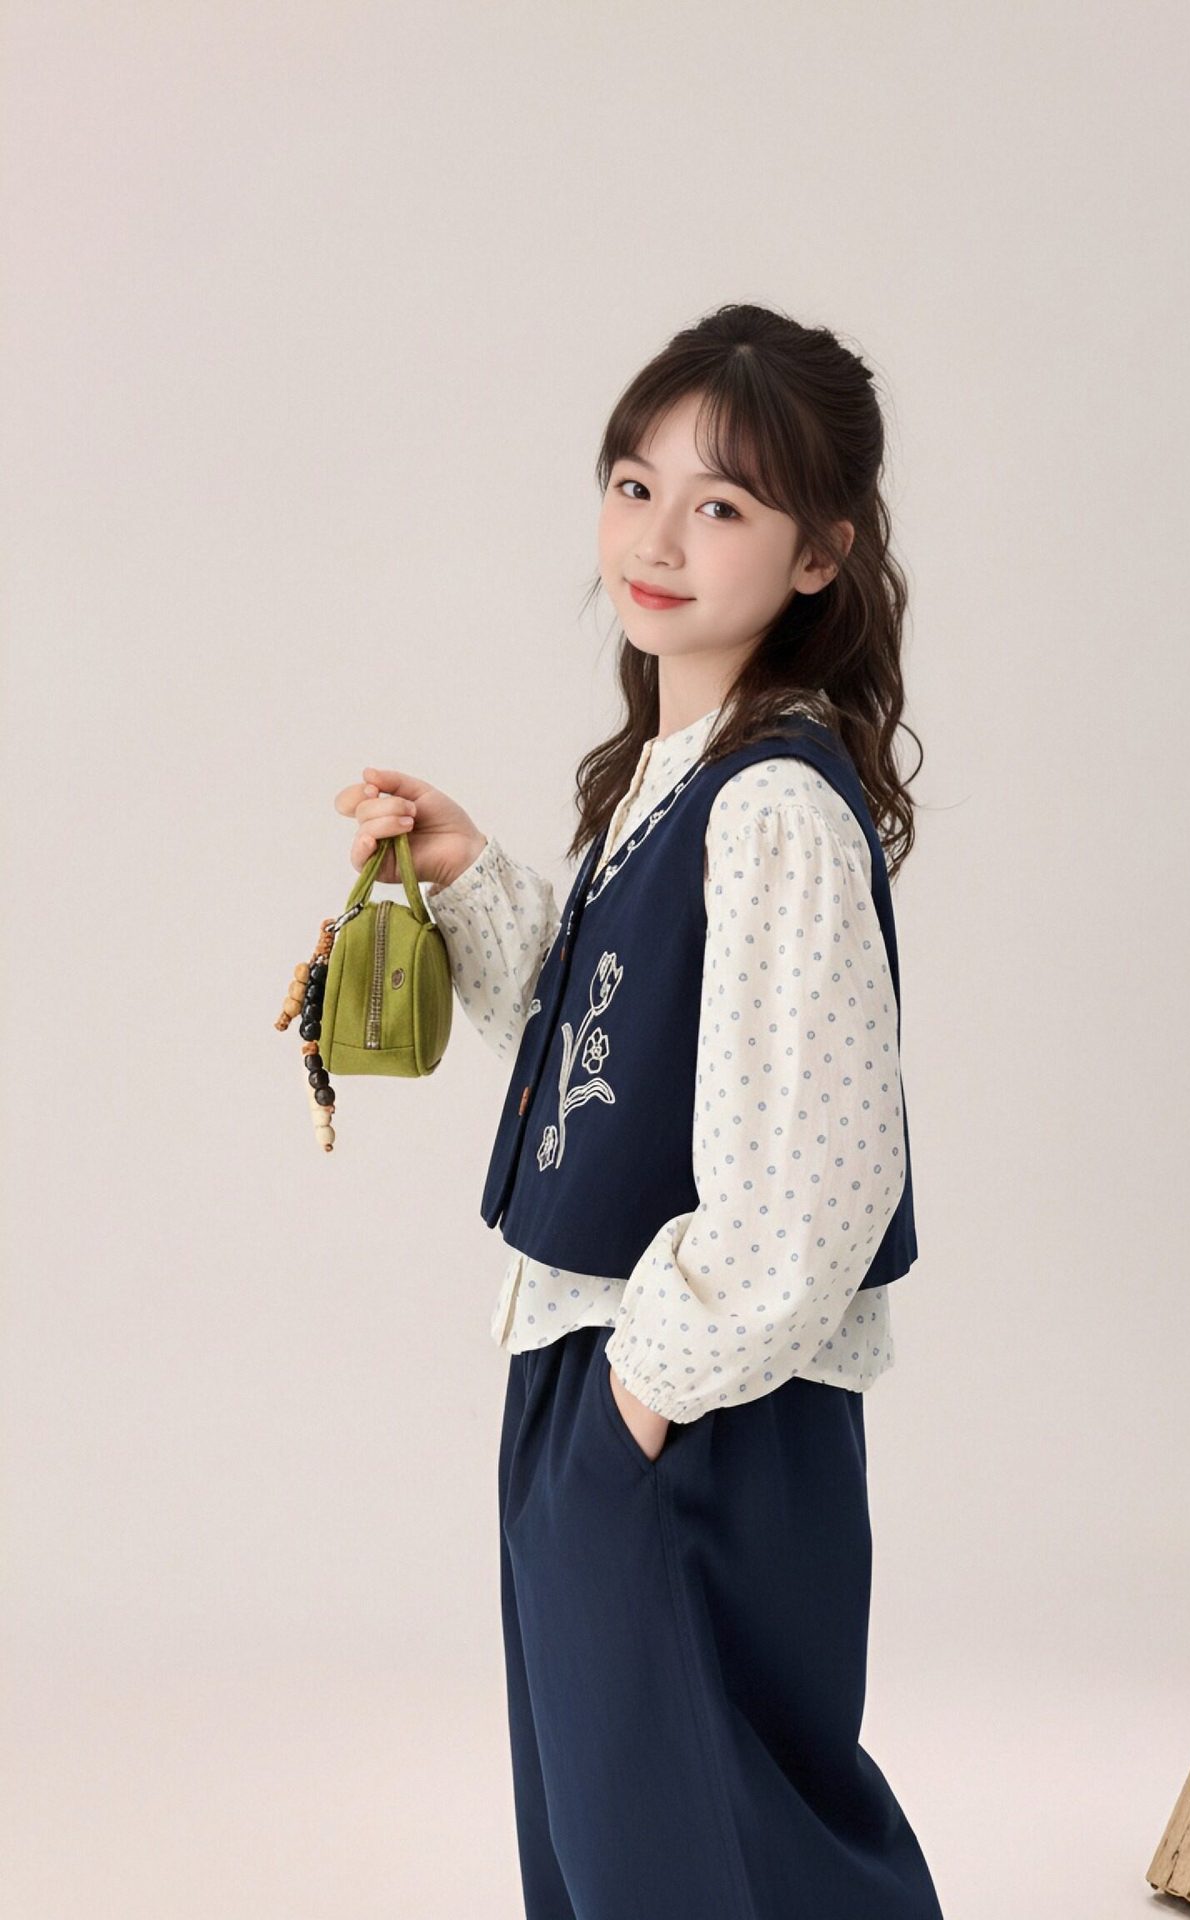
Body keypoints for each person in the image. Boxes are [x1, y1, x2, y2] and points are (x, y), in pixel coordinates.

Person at [334, 302, 944, 1920]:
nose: (658, 540)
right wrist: (471, 877)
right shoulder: (674, 779)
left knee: (712, 1849)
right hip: (609, 1372)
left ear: (821, 554)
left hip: (696, 1403)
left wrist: (639, 1403)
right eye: (634, 485)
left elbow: (813, 1179)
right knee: (619, 1845)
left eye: (721, 504)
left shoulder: (775, 808)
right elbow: (623, 1050)